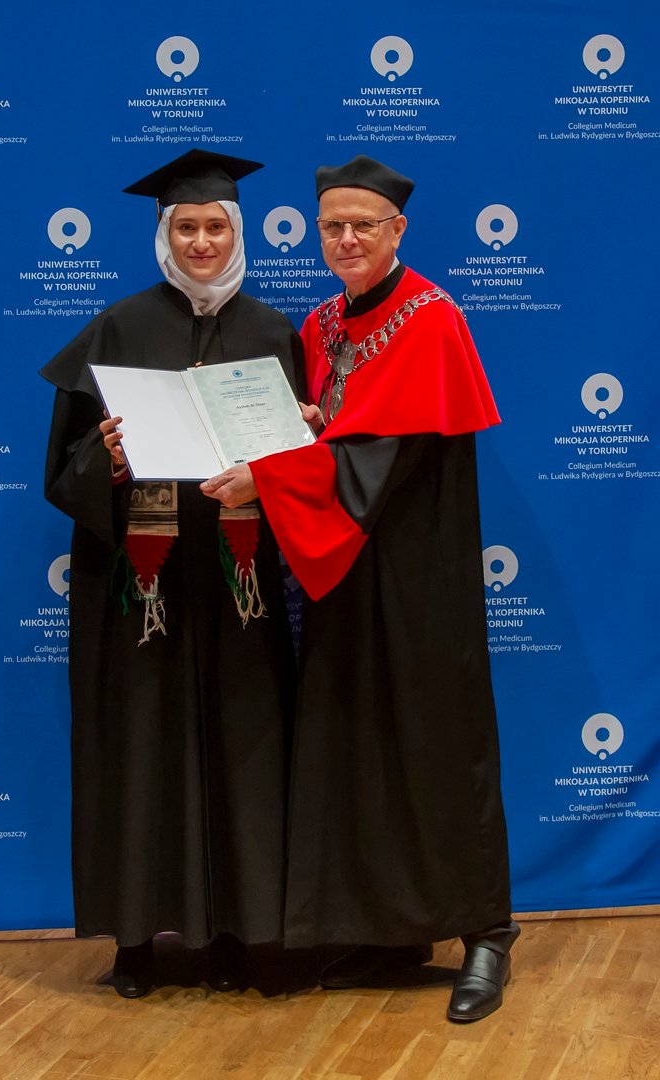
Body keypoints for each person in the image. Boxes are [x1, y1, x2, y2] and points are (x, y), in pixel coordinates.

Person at [201, 154, 519, 1022]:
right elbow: (336, 433)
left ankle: (487, 931)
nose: (346, 239)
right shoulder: (322, 324)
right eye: (332, 226)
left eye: (362, 225)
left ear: (397, 230)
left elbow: (380, 458)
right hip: (341, 570)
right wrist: (301, 428)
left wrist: (270, 477)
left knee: (436, 740)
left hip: (416, 574)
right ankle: (389, 929)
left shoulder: (432, 318)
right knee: (359, 743)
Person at [41, 150, 304, 998]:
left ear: (238, 232)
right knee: (141, 751)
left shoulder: (275, 334)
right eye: (185, 226)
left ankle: (238, 935)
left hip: (238, 590)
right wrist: (109, 460)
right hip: (142, 592)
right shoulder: (117, 330)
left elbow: (307, 466)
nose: (200, 241)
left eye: (215, 226)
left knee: (246, 751)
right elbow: (62, 470)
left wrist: (291, 451)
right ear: (164, 234)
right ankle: (135, 943)